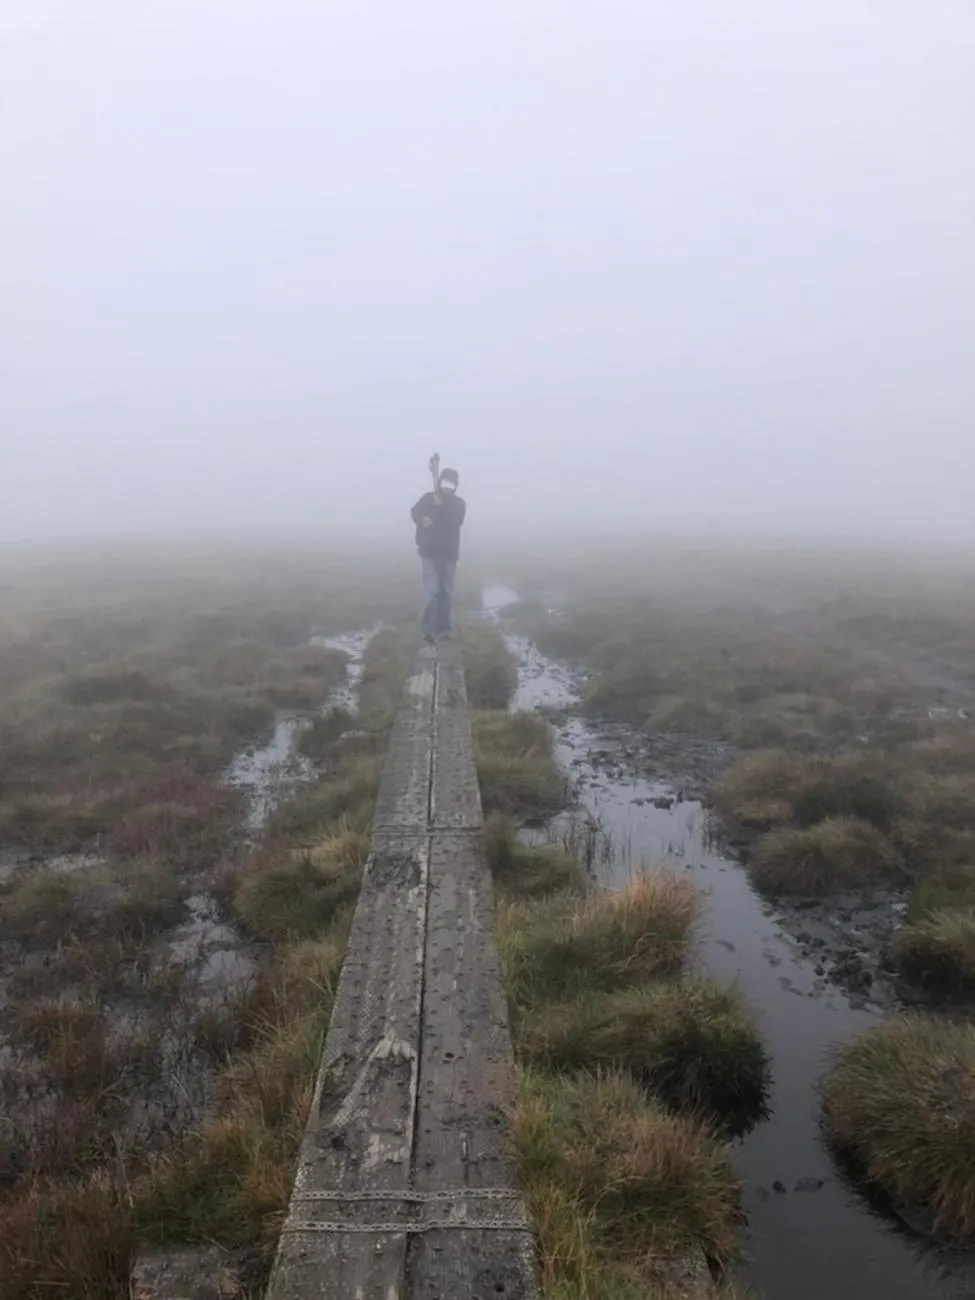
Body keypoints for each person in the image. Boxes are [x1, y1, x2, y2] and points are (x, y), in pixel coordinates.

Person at [410, 467, 466, 643]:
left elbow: (456, 521)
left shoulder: (458, 503)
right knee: (431, 589)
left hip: (449, 553)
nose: (447, 487)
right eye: (445, 482)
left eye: (451, 484)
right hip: (429, 551)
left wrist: (443, 505)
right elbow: (415, 512)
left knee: (446, 591)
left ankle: (445, 629)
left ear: (455, 486)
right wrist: (423, 519)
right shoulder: (428, 498)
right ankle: (428, 630)